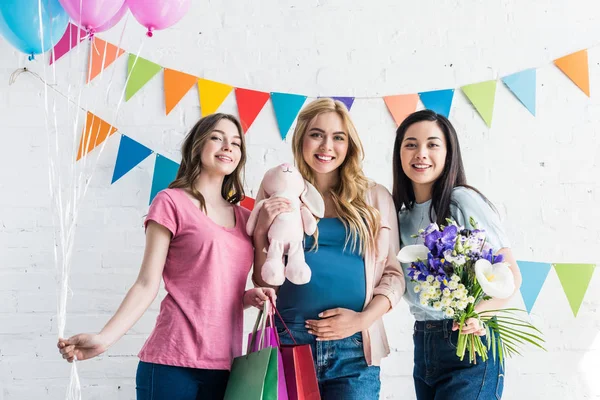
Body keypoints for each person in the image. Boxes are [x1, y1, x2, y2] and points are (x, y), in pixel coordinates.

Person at [57, 113, 276, 400]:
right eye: (217, 138)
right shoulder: (171, 202)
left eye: (236, 143)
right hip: (170, 361)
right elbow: (147, 284)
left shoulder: (246, 218)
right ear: (198, 145)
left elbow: (225, 285)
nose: (228, 147)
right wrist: (104, 339)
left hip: (227, 366)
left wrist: (248, 296)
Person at [252, 98, 405, 400]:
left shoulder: (374, 197)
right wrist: (259, 234)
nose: (326, 146)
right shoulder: (278, 188)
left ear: (349, 145)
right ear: (301, 139)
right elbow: (264, 280)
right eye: (316, 134)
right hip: (288, 339)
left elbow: (393, 275)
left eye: (338, 137)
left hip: (354, 349)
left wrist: (362, 320)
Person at [391, 109, 522, 399]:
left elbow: (511, 276)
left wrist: (476, 313)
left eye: (432, 144)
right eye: (410, 144)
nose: (421, 153)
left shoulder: (462, 200)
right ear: (399, 153)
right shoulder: (400, 216)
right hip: (424, 343)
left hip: (470, 340)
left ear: (449, 153)